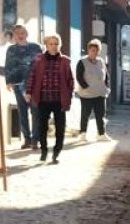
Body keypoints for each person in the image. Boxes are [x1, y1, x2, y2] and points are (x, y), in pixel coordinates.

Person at [28, 33, 74, 164]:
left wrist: (69, 96)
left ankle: (56, 153)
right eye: (51, 44)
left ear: (60, 45)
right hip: (43, 99)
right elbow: (32, 77)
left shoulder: (65, 61)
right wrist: (28, 92)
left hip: (59, 100)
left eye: (56, 44)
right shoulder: (39, 60)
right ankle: (44, 151)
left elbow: (70, 80)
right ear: (46, 45)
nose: (54, 46)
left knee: (60, 128)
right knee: (42, 127)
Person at [3, 26, 43, 150]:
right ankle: (27, 139)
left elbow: (41, 65)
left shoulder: (36, 47)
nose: (20, 35)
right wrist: (9, 81)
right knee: (22, 113)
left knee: (36, 112)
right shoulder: (11, 49)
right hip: (18, 84)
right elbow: (8, 65)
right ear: (14, 36)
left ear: (26, 34)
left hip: (34, 85)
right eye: (17, 33)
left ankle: (35, 140)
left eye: (22, 33)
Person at [75, 39, 112, 142]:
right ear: (88, 50)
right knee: (85, 115)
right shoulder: (82, 62)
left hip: (100, 93)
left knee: (100, 115)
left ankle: (101, 134)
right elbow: (79, 76)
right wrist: (86, 87)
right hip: (87, 94)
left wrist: (106, 86)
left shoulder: (101, 61)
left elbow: (106, 75)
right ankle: (82, 134)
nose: (94, 53)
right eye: (92, 50)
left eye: (96, 51)